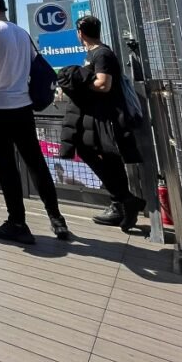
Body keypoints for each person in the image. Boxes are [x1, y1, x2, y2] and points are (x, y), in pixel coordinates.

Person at [0, 0, 70, 244]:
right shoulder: (22, 33)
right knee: (35, 162)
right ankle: (57, 219)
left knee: (6, 166)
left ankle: (17, 222)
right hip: (22, 106)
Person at [57, 15, 146, 231]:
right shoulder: (95, 54)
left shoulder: (102, 54)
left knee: (95, 153)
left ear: (81, 33)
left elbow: (103, 84)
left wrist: (77, 83)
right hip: (100, 116)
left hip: (107, 117)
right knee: (107, 158)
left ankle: (123, 200)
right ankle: (121, 203)